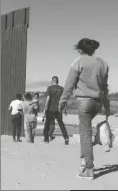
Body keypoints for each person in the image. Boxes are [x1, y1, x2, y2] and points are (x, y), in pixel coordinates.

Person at [58, 38, 110, 181]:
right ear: (93, 50)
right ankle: (83, 160)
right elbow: (105, 88)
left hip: (85, 102)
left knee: (85, 134)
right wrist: (107, 106)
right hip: (98, 103)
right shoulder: (102, 63)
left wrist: (61, 104)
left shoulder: (78, 62)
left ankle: (88, 169)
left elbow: (68, 86)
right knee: (84, 131)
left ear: (80, 50)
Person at [43, 76, 69, 145]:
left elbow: (48, 99)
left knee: (47, 124)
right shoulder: (62, 88)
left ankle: (46, 139)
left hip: (51, 109)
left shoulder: (50, 88)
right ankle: (66, 138)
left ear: (52, 81)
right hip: (59, 110)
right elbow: (64, 99)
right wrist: (65, 109)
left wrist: (45, 109)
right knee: (61, 124)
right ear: (58, 81)